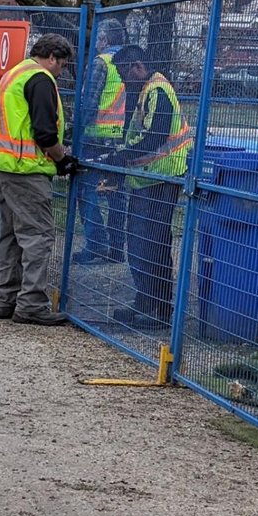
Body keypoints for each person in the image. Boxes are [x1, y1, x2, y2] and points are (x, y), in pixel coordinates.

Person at [0, 33, 80, 326]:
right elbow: (45, 133)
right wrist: (62, 159)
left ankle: (7, 299)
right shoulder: (40, 79)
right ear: (51, 57)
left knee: (10, 235)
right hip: (25, 168)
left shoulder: (15, 73)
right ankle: (31, 304)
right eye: (62, 65)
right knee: (37, 236)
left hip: (1, 163)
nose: (61, 72)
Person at [104, 45, 192, 330]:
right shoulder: (146, 91)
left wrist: (120, 158)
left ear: (138, 66)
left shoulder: (158, 91)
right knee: (139, 244)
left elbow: (154, 138)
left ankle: (160, 310)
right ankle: (145, 301)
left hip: (161, 180)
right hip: (146, 179)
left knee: (153, 246)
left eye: (123, 73)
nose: (122, 80)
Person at [74, 19, 127, 264]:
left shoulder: (101, 63)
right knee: (117, 194)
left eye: (98, 39)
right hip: (121, 139)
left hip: (95, 137)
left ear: (104, 39)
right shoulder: (132, 62)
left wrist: (76, 132)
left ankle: (96, 245)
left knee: (86, 191)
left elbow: (89, 102)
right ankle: (116, 248)